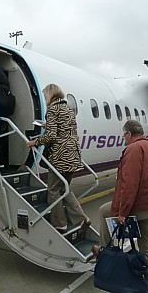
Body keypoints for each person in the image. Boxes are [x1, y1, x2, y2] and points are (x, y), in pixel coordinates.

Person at [93, 120, 148, 293]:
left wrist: (123, 212)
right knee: (147, 249)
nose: (124, 139)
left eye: (124, 135)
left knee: (103, 211)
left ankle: (103, 250)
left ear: (129, 134)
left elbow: (129, 183)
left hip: (138, 207)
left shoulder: (133, 149)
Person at [27, 84, 90, 233]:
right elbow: (65, 129)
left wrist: (34, 142)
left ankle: (60, 223)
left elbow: (51, 136)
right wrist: (47, 125)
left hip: (61, 156)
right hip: (73, 154)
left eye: (44, 96)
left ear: (49, 95)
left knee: (53, 189)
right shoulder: (68, 108)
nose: (44, 99)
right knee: (65, 188)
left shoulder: (52, 109)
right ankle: (82, 219)